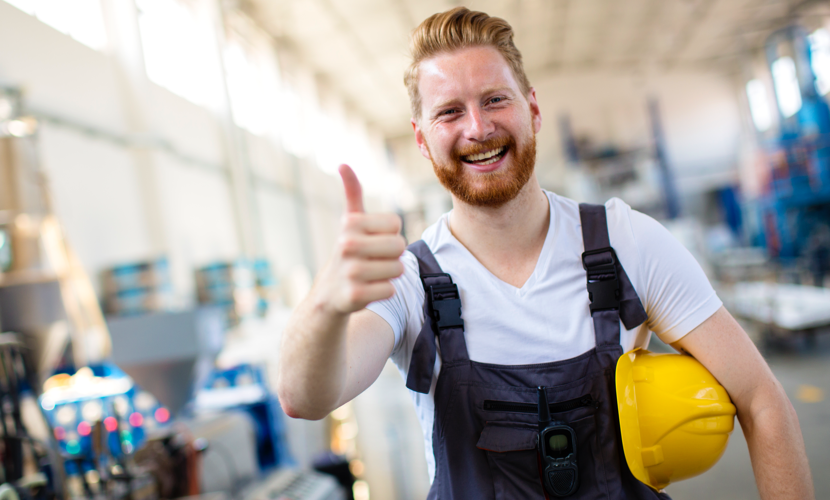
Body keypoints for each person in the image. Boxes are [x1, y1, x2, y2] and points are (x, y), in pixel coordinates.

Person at [278, 7, 814, 499]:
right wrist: (324, 305)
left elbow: (763, 402)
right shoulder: (410, 281)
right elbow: (306, 398)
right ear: (422, 140)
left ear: (532, 109)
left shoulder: (626, 243)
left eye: (495, 99)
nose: (478, 128)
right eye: (449, 112)